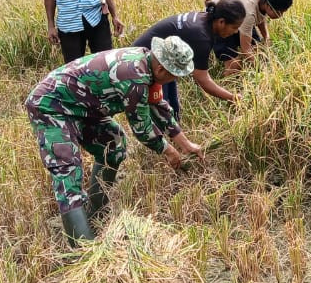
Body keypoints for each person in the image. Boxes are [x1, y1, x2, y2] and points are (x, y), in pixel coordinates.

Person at [25, 37, 203, 244]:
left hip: (83, 108)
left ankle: (96, 211)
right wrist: (168, 150)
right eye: (174, 76)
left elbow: (159, 106)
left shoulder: (149, 66)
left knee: (114, 144)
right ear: (163, 69)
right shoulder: (134, 76)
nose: (174, 80)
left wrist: (185, 144)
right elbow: (142, 129)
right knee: (68, 171)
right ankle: (84, 248)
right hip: (51, 106)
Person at [131, 0, 246, 121]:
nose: (235, 32)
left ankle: (173, 135)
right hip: (143, 64)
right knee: (161, 112)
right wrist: (232, 97)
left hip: (164, 61)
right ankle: (164, 137)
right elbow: (202, 79)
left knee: (172, 106)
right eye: (234, 27)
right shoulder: (201, 36)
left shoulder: (205, 19)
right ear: (221, 22)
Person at [208, 0, 294, 74]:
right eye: (280, 12)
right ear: (269, 6)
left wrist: (266, 36)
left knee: (258, 52)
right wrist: (263, 72)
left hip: (237, 19)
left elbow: (260, 15)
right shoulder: (249, 11)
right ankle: (225, 86)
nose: (281, 15)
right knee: (235, 66)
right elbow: (246, 50)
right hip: (220, 24)